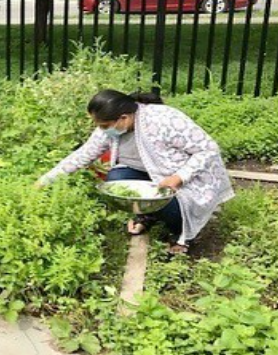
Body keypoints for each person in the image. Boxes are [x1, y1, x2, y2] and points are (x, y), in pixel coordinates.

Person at [36, 89, 234, 255]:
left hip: (183, 177)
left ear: (123, 118)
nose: (102, 131)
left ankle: (180, 232)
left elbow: (208, 148)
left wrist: (178, 177)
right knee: (116, 179)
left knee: (169, 202)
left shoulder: (164, 119)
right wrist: (44, 181)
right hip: (145, 174)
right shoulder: (112, 127)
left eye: (105, 126)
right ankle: (147, 215)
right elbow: (83, 155)